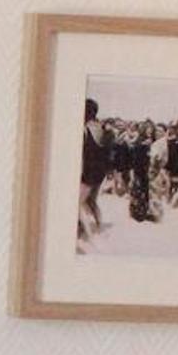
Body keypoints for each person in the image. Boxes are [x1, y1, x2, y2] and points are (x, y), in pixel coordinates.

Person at [79, 97, 109, 248]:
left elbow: (82, 155)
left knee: (78, 203)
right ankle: (99, 227)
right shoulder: (102, 128)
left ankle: (90, 236)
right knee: (91, 201)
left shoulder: (84, 129)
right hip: (100, 170)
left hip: (88, 170)